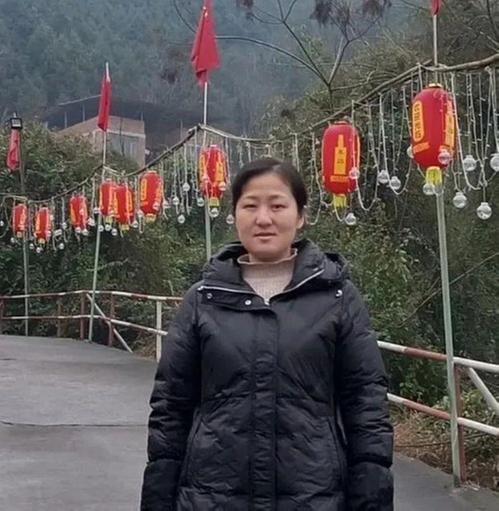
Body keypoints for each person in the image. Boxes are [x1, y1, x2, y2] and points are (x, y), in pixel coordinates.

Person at [140, 157, 394, 511]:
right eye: (250, 206)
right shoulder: (203, 300)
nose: (263, 219)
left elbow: (366, 403)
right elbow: (171, 407)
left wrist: (371, 497)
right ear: (234, 215)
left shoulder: (336, 297)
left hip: (313, 497)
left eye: (277, 206)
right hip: (211, 497)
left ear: (301, 215)